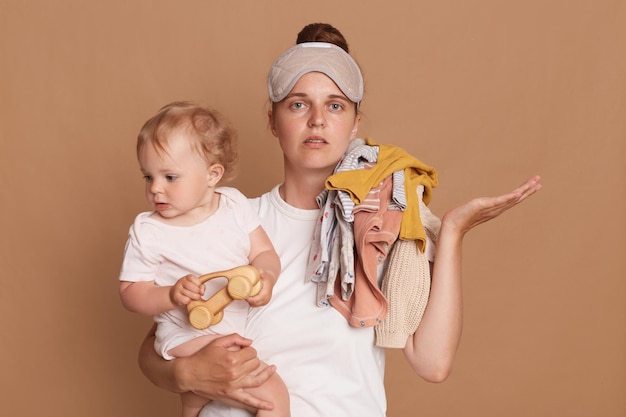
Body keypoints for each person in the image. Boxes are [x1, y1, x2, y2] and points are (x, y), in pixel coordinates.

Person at [136, 24, 542, 416]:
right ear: (272, 120)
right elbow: (162, 340)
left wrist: (452, 233)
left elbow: (432, 363)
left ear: (354, 124)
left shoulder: (380, 229)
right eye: (298, 104)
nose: (317, 120)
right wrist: (184, 373)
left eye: (335, 105)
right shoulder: (232, 219)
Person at [119, 101, 289, 417]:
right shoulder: (149, 230)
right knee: (272, 394)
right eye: (148, 177)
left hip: (225, 332)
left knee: (197, 406)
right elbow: (131, 294)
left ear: (212, 175)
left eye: (170, 177)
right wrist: (169, 295)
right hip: (186, 338)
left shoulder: (235, 206)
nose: (155, 188)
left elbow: (265, 254)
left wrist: (265, 278)